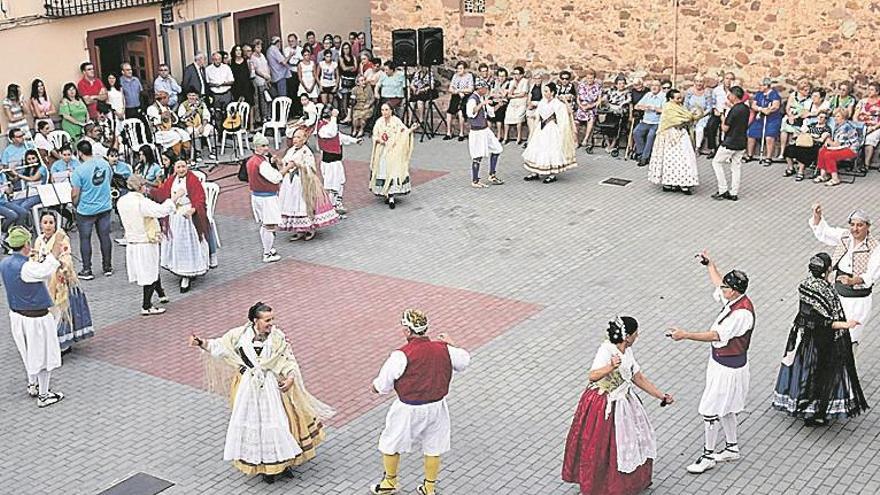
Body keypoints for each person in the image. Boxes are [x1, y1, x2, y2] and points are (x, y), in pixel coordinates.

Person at [189, 302, 334, 484]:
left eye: (272, 319)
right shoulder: (238, 336)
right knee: (256, 425)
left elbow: (288, 359)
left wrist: (290, 378)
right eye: (267, 320)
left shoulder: (277, 337)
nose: (271, 323)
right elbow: (220, 347)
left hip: (273, 387)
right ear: (255, 320)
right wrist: (201, 342)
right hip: (248, 389)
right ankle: (266, 468)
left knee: (280, 423)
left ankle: (284, 463)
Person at [562, 316, 673, 495]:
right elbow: (592, 375)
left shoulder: (627, 351)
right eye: (636, 333)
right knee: (602, 446)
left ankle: (625, 483)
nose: (638, 336)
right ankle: (601, 486)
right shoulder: (606, 350)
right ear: (627, 336)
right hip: (603, 404)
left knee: (629, 441)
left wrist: (661, 395)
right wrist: (610, 367)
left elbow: (638, 377)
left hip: (624, 401)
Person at [368, 309, 470, 495]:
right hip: (437, 406)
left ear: (407, 330)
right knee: (434, 445)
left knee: (391, 442)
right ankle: (429, 487)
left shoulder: (401, 355)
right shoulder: (444, 349)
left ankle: (389, 483)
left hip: (408, 407)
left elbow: (383, 385)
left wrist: (375, 387)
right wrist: (452, 344)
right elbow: (464, 361)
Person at [669, 252, 752, 475]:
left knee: (710, 409)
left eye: (726, 288)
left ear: (734, 290)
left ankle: (708, 455)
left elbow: (716, 335)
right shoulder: (735, 299)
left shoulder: (741, 315)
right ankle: (732, 448)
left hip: (728, 368)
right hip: (724, 364)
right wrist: (710, 265)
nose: (721, 290)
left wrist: (685, 335)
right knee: (727, 408)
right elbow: (718, 283)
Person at [772, 252, 868, 426]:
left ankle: (803, 405)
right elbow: (825, 322)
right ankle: (816, 412)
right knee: (823, 375)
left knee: (805, 372)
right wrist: (847, 324)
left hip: (805, 338)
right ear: (827, 269)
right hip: (824, 342)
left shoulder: (805, 285)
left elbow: (808, 315)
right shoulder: (826, 291)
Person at [0, 226, 65, 407]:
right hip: (36, 319)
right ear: (26, 244)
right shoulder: (27, 268)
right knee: (43, 355)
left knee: (28, 352)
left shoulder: (5, 263)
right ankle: (43, 395)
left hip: (17, 316)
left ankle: (32, 384)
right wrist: (55, 248)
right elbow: (45, 270)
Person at [809, 205, 880, 354]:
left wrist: (853, 281)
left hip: (857, 301)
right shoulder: (845, 236)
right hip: (838, 295)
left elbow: (872, 274)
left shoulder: (874, 248)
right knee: (833, 331)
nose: (855, 229)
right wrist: (817, 217)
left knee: (849, 338)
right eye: (852, 224)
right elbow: (825, 233)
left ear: (868, 227)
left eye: (860, 225)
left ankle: (847, 372)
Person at [116, 174, 180, 316]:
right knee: (149, 272)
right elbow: (161, 211)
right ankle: (147, 305)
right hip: (145, 241)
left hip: (132, 241)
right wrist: (173, 199)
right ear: (140, 187)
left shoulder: (122, 201)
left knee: (150, 269)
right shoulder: (142, 203)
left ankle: (161, 293)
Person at [31, 211, 94, 352]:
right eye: (45, 222)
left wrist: (62, 267)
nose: (48, 226)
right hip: (44, 281)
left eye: (51, 222)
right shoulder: (38, 240)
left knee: (61, 311)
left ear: (55, 224)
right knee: (48, 312)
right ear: (40, 225)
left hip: (59, 280)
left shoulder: (62, 238)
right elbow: (34, 256)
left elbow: (66, 257)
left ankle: (63, 344)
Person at [152, 160, 210, 293]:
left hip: (187, 216)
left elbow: (200, 198)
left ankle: (188, 273)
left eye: (184, 166)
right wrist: (149, 190)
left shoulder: (193, 180)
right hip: (174, 215)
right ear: (175, 168)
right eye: (179, 167)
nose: (181, 169)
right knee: (176, 243)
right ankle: (178, 267)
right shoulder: (172, 180)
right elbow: (162, 193)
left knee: (187, 243)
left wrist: (194, 209)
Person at [279, 128, 340, 239]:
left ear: (304, 139)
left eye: (298, 137)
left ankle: (310, 228)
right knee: (293, 203)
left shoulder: (306, 151)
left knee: (304, 203)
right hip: (291, 182)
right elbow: (285, 161)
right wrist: (279, 161)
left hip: (304, 182)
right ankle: (299, 229)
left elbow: (311, 167)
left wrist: (298, 165)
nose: (295, 140)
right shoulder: (291, 150)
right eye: (294, 137)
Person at [648, 89, 704, 195]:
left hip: (681, 133)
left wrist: (693, 116)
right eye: (677, 98)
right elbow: (678, 119)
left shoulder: (680, 107)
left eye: (680, 98)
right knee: (670, 159)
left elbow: (687, 117)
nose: (680, 100)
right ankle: (669, 183)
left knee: (685, 158)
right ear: (670, 98)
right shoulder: (668, 107)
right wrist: (690, 117)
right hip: (669, 135)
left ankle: (684, 183)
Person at [71, 140, 113, 280]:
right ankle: (107, 267)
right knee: (105, 237)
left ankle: (87, 269)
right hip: (105, 206)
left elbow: (75, 193)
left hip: (86, 210)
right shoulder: (104, 164)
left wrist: (75, 205)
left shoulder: (78, 171)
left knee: (85, 239)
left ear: (80, 153)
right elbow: (109, 179)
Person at [247, 133, 293, 262]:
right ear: (256, 147)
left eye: (267, 145)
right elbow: (276, 178)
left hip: (256, 196)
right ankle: (267, 253)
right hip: (267, 198)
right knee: (270, 226)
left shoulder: (252, 161)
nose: (266, 148)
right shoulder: (261, 164)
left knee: (264, 224)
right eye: (263, 146)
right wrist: (287, 168)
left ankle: (268, 248)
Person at [522, 82, 577, 184]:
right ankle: (535, 172)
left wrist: (561, 132)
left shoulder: (558, 104)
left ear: (552, 92)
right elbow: (538, 114)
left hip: (551, 129)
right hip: (541, 128)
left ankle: (552, 174)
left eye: (547, 91)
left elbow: (563, 119)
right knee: (537, 147)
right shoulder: (543, 102)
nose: (545, 93)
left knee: (551, 149)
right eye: (544, 91)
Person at [369, 103, 419, 209]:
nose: (384, 112)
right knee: (383, 170)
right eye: (382, 110)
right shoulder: (379, 122)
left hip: (394, 151)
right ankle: (386, 193)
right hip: (382, 151)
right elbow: (374, 136)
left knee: (392, 171)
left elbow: (403, 132)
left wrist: (411, 130)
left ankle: (391, 196)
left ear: (391, 110)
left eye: (386, 110)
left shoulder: (396, 121)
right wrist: (380, 140)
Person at [317, 109, 361, 214]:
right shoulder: (322, 129)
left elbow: (341, 137)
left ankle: (337, 203)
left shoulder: (332, 127)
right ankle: (330, 207)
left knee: (340, 182)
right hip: (329, 163)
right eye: (327, 118)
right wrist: (334, 117)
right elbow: (331, 133)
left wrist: (355, 140)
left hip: (337, 162)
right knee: (331, 184)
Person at [711, 86, 749, 201]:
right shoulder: (745, 108)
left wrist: (723, 116)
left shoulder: (734, 110)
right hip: (742, 141)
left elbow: (725, 128)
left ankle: (722, 189)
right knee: (736, 167)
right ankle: (734, 192)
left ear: (734, 96)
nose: (728, 96)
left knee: (716, 162)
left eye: (729, 94)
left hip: (730, 141)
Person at [466, 79, 505, 188]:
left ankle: (492, 175)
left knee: (497, 149)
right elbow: (471, 113)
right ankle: (475, 180)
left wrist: (498, 105)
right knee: (477, 155)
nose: (487, 90)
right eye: (485, 88)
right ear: (480, 89)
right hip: (477, 131)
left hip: (485, 130)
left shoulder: (482, 98)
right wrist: (483, 103)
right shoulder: (472, 99)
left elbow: (490, 113)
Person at [814, 108, 861, 187]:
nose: (835, 118)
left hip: (851, 150)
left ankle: (835, 178)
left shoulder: (845, 127)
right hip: (842, 147)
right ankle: (823, 175)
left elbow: (836, 144)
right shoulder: (838, 125)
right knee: (822, 150)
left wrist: (827, 140)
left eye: (838, 116)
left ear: (844, 117)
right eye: (835, 116)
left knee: (829, 155)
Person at [783, 111, 831, 181]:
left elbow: (821, 140)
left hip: (814, 145)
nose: (819, 118)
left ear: (826, 119)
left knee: (803, 152)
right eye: (819, 116)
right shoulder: (812, 125)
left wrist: (812, 136)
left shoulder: (826, 129)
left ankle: (800, 171)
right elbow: (803, 131)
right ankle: (791, 168)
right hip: (803, 143)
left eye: (822, 117)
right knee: (789, 148)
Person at [744, 78, 782, 166]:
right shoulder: (759, 94)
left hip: (772, 119)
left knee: (769, 137)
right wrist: (761, 109)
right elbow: (753, 105)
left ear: (766, 86)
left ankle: (768, 157)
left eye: (761, 85)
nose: (759, 87)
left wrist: (769, 110)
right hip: (760, 117)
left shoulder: (774, 95)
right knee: (751, 132)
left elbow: (775, 106)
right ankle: (750, 154)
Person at [147, 90, 192, 157]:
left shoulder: (166, 107)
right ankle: (177, 157)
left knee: (184, 134)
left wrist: (172, 115)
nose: (168, 100)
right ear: (163, 99)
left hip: (169, 129)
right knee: (176, 137)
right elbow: (156, 121)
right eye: (168, 98)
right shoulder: (152, 108)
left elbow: (175, 121)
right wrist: (163, 116)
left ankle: (187, 157)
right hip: (159, 132)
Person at [632, 80, 665, 167]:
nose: (654, 87)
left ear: (660, 87)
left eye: (656, 85)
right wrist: (643, 107)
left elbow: (665, 110)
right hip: (646, 121)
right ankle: (641, 152)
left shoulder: (663, 96)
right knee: (636, 132)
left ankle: (644, 158)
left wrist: (654, 108)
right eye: (652, 85)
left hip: (657, 122)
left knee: (650, 136)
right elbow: (636, 106)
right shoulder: (648, 95)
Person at [177, 89, 215, 160]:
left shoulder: (202, 104)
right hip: (189, 125)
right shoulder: (183, 105)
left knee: (212, 129)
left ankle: (213, 151)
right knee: (195, 133)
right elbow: (181, 118)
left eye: (194, 95)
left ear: (197, 96)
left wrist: (203, 127)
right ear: (187, 96)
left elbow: (206, 116)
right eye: (190, 95)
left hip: (200, 124)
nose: (191, 97)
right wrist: (191, 111)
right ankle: (198, 153)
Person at [706, 73, 735, 158]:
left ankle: (725, 149)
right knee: (710, 126)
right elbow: (713, 102)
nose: (728, 81)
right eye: (727, 78)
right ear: (723, 79)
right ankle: (712, 149)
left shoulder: (735, 91)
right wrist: (715, 110)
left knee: (728, 129)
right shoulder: (717, 90)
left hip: (730, 113)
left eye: (731, 79)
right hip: (718, 112)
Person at [444, 62, 474, 141]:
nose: (459, 70)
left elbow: (470, 89)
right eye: (458, 69)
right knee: (449, 113)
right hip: (456, 95)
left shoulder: (469, 76)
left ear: (464, 69)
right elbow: (450, 88)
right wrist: (458, 92)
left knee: (461, 112)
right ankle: (448, 132)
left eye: (461, 68)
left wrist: (459, 90)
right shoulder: (455, 76)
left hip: (465, 96)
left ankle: (461, 133)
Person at [684, 77, 715, 154]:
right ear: (694, 82)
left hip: (703, 115)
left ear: (704, 83)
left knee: (699, 129)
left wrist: (700, 116)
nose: (699, 83)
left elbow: (709, 108)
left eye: (701, 81)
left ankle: (697, 148)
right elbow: (685, 105)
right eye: (697, 81)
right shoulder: (689, 91)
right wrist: (690, 114)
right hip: (690, 114)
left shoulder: (707, 93)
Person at [575, 69, 602, 148]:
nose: (589, 80)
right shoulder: (581, 85)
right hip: (582, 106)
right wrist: (581, 106)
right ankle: (576, 141)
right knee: (575, 122)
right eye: (588, 78)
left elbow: (599, 100)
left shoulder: (597, 87)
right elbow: (578, 98)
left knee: (591, 118)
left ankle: (585, 139)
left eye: (591, 78)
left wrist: (590, 106)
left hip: (591, 107)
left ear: (594, 78)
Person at [855, 82, 880, 169]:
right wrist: (856, 125)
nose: (869, 91)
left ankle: (866, 165)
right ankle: (853, 163)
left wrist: (873, 128)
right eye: (868, 89)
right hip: (861, 125)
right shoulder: (862, 101)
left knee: (869, 139)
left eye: (872, 90)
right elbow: (855, 115)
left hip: (876, 126)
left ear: (877, 92)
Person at [250, 39, 273, 125]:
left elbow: (266, 66)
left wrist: (269, 76)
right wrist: (264, 76)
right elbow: (256, 70)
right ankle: (264, 116)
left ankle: (269, 115)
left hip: (267, 78)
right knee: (263, 98)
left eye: (260, 46)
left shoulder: (262, 55)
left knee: (268, 98)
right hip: (260, 80)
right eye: (258, 47)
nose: (260, 48)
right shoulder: (253, 57)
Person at [338, 42, 359, 122]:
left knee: (352, 99)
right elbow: (344, 68)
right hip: (345, 81)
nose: (346, 50)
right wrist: (351, 67)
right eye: (344, 48)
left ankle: (351, 117)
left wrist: (349, 68)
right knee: (345, 99)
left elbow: (356, 68)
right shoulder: (341, 58)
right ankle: (345, 116)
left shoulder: (353, 57)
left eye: (347, 48)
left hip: (353, 80)